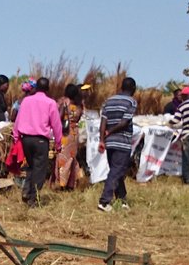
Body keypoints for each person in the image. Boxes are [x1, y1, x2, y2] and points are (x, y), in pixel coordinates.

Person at [12, 77, 62, 207]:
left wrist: (16, 137)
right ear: (47, 89)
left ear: (36, 87)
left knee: (31, 167)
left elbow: (18, 120)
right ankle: (33, 199)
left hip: (26, 140)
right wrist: (58, 143)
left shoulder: (26, 101)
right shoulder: (51, 103)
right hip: (40, 140)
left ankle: (26, 191)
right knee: (39, 169)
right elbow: (56, 125)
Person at [97, 77, 138, 212]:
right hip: (122, 142)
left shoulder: (109, 101)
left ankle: (122, 200)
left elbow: (103, 122)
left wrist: (102, 139)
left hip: (109, 143)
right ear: (133, 89)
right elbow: (124, 123)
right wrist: (110, 132)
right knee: (116, 171)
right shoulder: (131, 102)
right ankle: (104, 201)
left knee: (117, 170)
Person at [53, 83, 87, 189]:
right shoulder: (79, 106)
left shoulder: (65, 104)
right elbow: (79, 117)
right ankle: (71, 183)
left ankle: (62, 182)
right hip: (74, 132)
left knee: (62, 157)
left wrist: (63, 107)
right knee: (72, 157)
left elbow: (59, 117)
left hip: (65, 133)